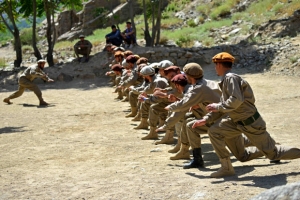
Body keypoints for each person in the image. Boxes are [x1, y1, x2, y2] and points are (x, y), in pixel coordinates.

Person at [192, 52, 300, 178]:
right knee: (215, 132)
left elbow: (235, 100)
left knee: (274, 154)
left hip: (251, 123)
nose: (215, 68)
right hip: (235, 122)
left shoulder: (231, 78)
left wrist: (218, 107)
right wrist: (206, 119)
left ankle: (274, 148)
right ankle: (226, 168)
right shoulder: (226, 80)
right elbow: (223, 105)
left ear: (220, 65)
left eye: (215, 65)